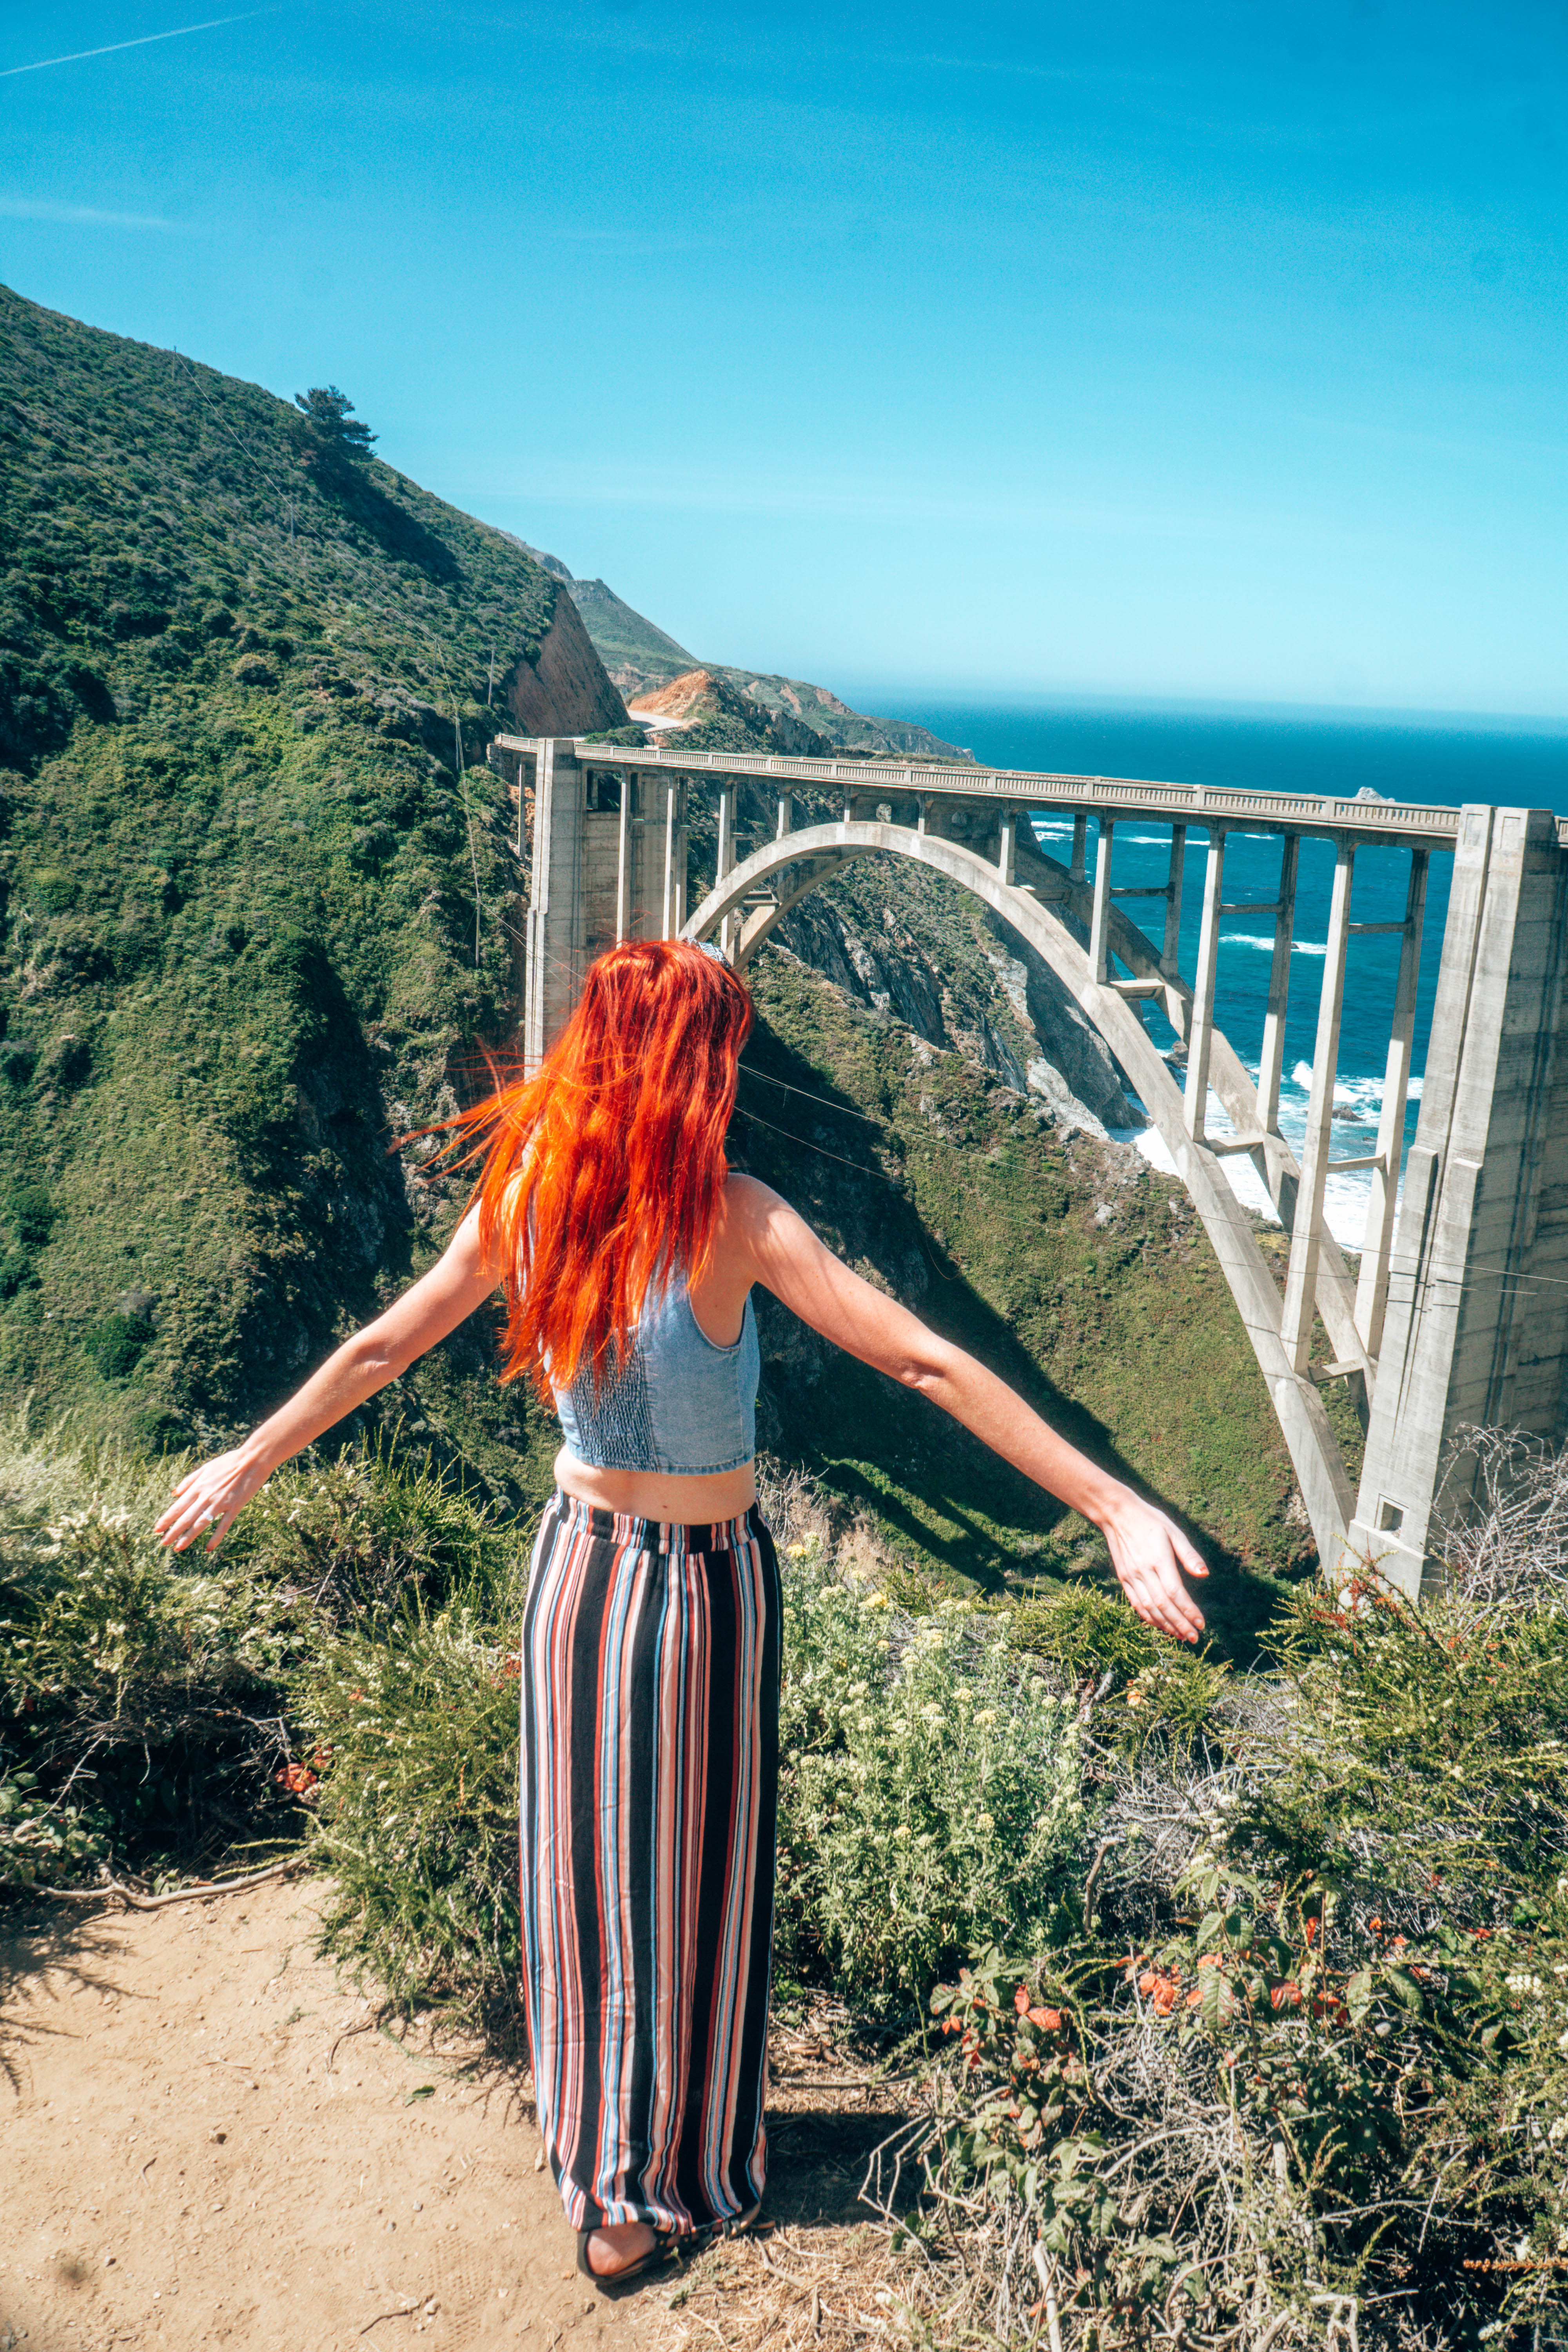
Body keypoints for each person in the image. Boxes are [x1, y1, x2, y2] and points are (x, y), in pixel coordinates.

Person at [156, 939, 1205, 2287]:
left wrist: (248, 1459)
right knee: (690, 1877)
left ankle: (606, 2149)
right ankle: (638, 2191)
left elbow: (381, 1347)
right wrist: (1111, 1506)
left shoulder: (530, 1186)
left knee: (586, 1873)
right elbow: (926, 1364)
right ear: (695, 1061)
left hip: (575, 1571)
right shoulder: (736, 1216)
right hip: (699, 1586)